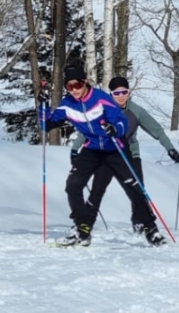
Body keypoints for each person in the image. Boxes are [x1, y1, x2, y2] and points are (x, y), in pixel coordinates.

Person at [40, 61, 165, 247]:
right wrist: (42, 105)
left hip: (115, 148)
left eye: (78, 85)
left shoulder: (100, 98)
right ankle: (81, 228)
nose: (74, 89)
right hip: (92, 149)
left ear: (85, 82)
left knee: (134, 187)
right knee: (73, 185)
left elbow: (121, 121)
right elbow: (46, 125)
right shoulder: (67, 105)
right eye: (69, 86)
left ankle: (150, 229)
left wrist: (115, 129)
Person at [70, 76, 179, 233]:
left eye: (124, 92)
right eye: (117, 93)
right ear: (111, 94)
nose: (121, 96)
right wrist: (76, 148)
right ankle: (84, 223)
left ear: (129, 92)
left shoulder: (136, 111)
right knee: (97, 189)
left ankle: (141, 222)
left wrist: (170, 148)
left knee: (138, 189)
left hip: (129, 154)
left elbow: (156, 130)